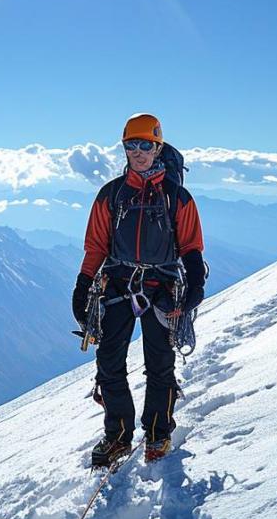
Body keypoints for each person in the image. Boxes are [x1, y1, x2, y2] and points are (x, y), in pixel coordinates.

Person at [72, 113, 206, 468]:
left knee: (159, 364)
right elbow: (96, 247)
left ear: (158, 146)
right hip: (117, 283)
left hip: (162, 287)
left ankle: (158, 432)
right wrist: (82, 286)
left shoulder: (178, 197)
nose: (138, 152)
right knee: (109, 362)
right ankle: (117, 435)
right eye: (131, 145)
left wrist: (196, 287)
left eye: (145, 145)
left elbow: (192, 248)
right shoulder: (111, 196)